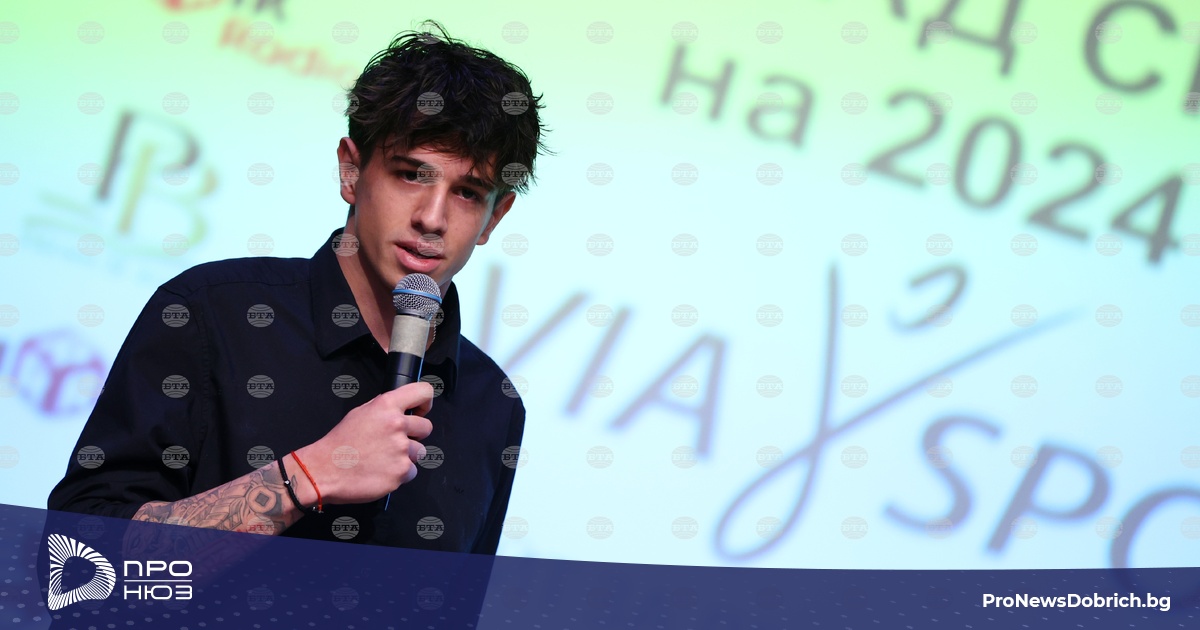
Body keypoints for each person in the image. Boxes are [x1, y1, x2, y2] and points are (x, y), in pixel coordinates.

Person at [47, 23, 547, 553]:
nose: (432, 218)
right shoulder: (209, 316)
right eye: (409, 175)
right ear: (351, 172)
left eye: (467, 193)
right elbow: (77, 565)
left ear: (495, 217)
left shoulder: (492, 404)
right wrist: (306, 477)